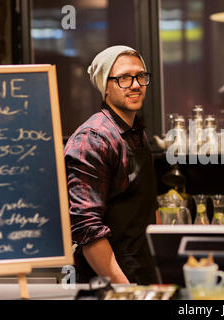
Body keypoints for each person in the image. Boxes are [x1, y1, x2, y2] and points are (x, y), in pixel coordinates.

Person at [64, 45, 158, 284]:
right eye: (124, 78)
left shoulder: (136, 131)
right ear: (105, 86)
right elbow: (87, 229)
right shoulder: (93, 138)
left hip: (141, 273)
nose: (135, 84)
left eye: (140, 76)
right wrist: (125, 292)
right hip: (110, 285)